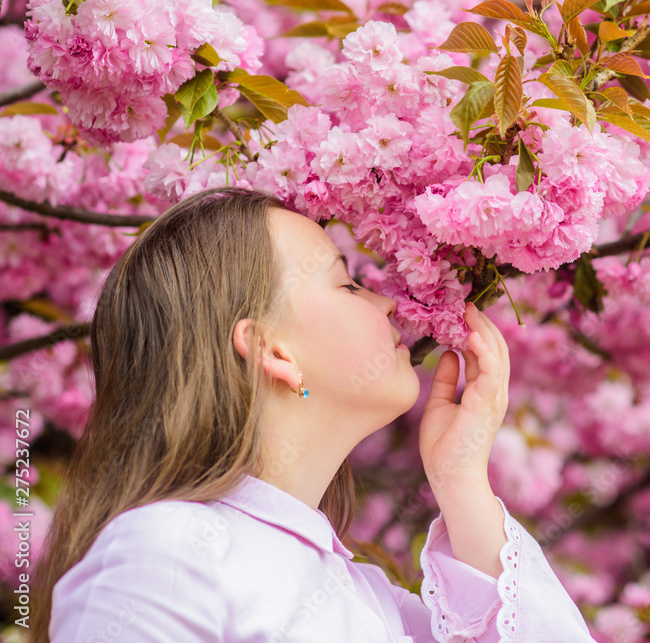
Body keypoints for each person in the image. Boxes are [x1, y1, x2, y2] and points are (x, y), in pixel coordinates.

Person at [31, 187, 598, 642]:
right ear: (275, 351)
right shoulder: (166, 552)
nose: (387, 302)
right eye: (348, 283)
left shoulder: (374, 601)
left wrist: (462, 483)